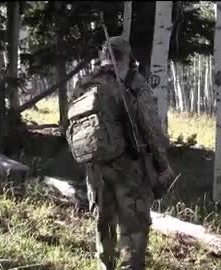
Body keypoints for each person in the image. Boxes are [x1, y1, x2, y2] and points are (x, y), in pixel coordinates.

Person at [66, 36, 174, 270]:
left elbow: (70, 127)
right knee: (134, 227)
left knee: (103, 221)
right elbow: (150, 127)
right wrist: (162, 164)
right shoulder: (133, 82)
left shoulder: (84, 83)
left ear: (104, 55)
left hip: (95, 168)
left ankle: (105, 266)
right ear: (127, 57)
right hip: (130, 167)